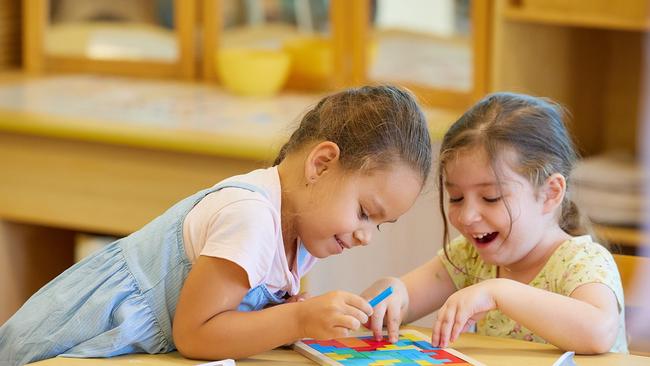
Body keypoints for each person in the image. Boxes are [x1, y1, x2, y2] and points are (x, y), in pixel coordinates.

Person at [0, 85, 433, 365]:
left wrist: (289, 316)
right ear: (321, 164)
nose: (365, 236)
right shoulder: (252, 218)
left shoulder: (301, 233)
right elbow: (196, 334)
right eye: (364, 212)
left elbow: (230, 315)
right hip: (84, 341)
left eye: (381, 225)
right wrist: (298, 320)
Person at [362, 92, 628, 354]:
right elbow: (406, 299)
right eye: (456, 198)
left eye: (491, 198)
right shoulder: (468, 258)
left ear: (550, 193)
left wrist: (499, 292)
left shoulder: (582, 262)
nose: (466, 217)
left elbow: (599, 333)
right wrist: (392, 293)